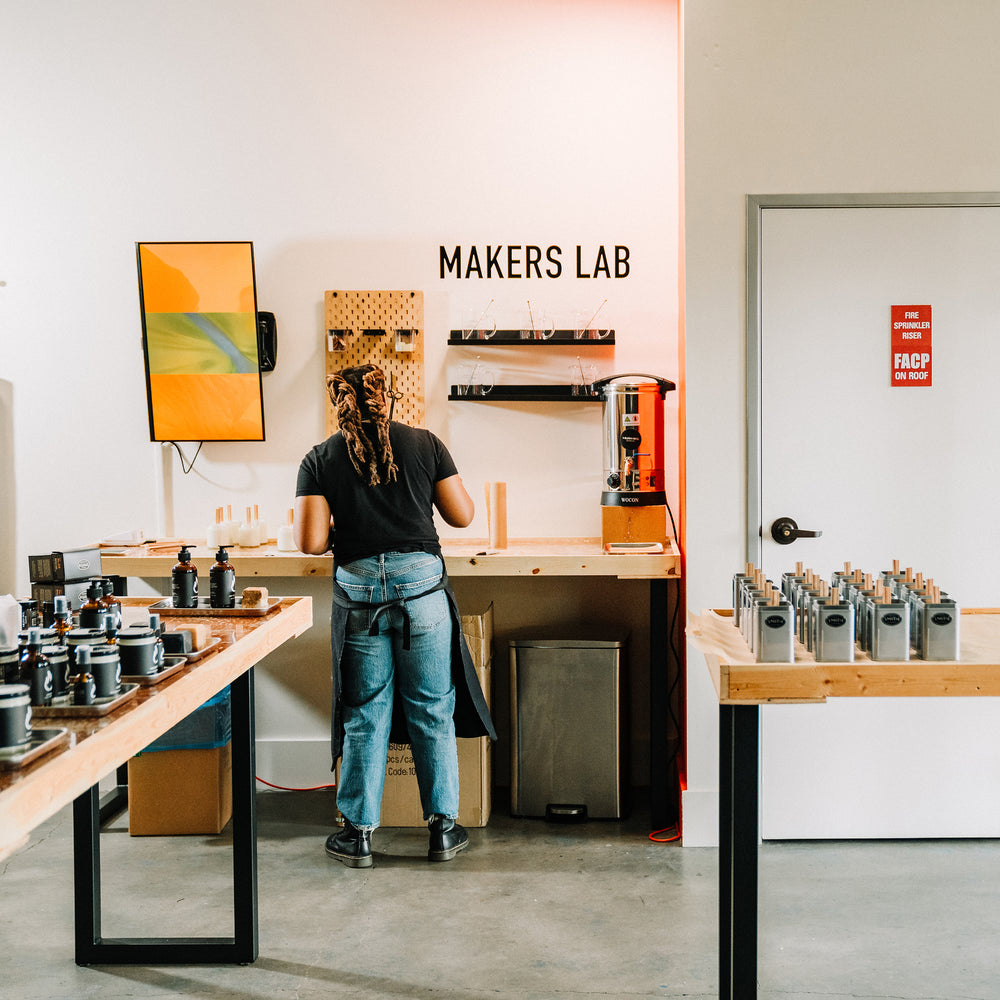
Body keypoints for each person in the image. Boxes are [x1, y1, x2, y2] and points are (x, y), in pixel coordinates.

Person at [294, 364, 495, 868]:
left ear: (340, 403)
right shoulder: (425, 443)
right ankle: (443, 831)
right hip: (422, 590)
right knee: (431, 707)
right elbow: (462, 515)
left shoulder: (320, 457)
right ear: (390, 399)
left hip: (360, 595)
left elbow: (311, 543)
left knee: (365, 713)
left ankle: (359, 835)